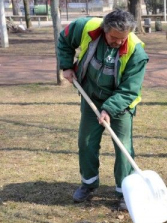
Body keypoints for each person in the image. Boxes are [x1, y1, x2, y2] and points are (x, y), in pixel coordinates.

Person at [57, 9, 148, 209]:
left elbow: (130, 90)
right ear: (104, 29)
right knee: (86, 142)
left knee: (123, 147)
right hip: (91, 96)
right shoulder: (86, 27)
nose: (118, 42)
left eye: (122, 39)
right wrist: (66, 65)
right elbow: (63, 39)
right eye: (114, 38)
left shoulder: (136, 51)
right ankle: (88, 184)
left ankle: (125, 190)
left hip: (121, 104)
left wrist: (109, 109)